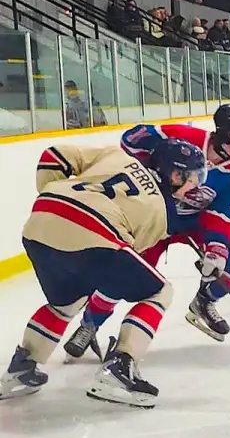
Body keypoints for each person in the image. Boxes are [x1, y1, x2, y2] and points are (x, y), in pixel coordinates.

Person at [3, 137, 207, 407]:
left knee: (64, 303)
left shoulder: (117, 156)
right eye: (192, 178)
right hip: (94, 232)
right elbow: (127, 255)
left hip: (39, 224)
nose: (193, 185)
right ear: (174, 173)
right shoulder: (163, 212)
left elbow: (55, 155)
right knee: (160, 291)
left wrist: (52, 198)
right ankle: (119, 369)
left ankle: (21, 368)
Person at [61, 105, 230, 357]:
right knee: (123, 272)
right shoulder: (182, 139)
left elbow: (219, 215)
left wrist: (216, 249)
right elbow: (130, 140)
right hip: (154, 218)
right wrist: (150, 170)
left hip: (193, 223)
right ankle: (89, 325)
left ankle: (205, 300)